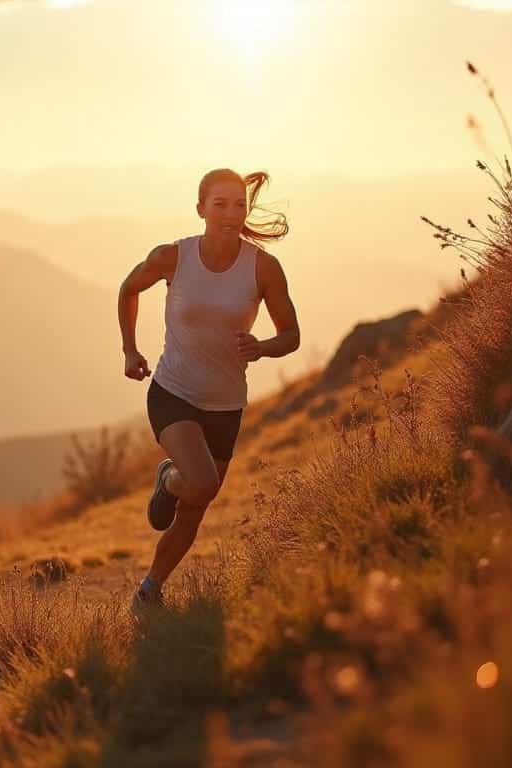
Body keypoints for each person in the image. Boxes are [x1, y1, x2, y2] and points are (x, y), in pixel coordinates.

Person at [117, 168, 299, 614]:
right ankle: (171, 477)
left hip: (225, 404)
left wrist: (263, 347)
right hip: (172, 391)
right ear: (200, 208)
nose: (231, 213)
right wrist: (130, 351)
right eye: (220, 204)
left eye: (239, 204)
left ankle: (149, 591)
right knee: (201, 481)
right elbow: (128, 288)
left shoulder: (263, 268)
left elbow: (290, 334)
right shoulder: (173, 257)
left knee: (195, 505)